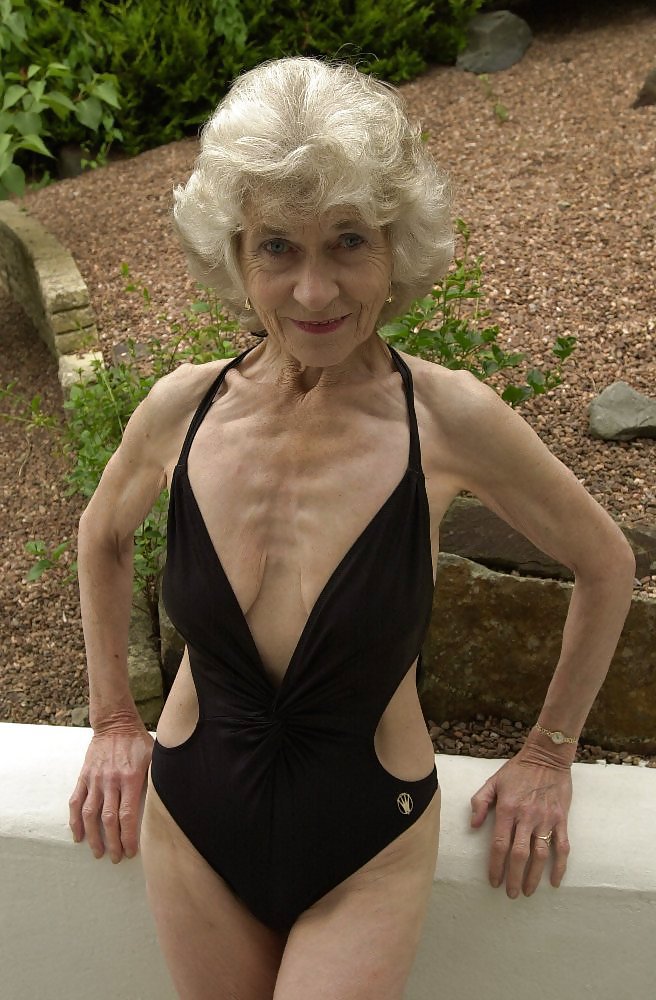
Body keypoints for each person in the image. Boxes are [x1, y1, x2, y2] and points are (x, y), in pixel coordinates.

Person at [69, 56, 635, 999]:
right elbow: (102, 537)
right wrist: (113, 720)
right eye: (277, 247)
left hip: (368, 840)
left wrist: (548, 753)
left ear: (396, 246)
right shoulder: (181, 411)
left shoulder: (447, 421)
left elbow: (606, 562)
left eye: (347, 242)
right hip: (191, 819)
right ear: (234, 254)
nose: (314, 291)